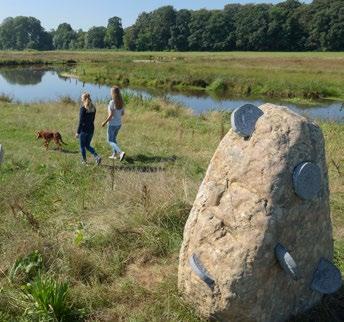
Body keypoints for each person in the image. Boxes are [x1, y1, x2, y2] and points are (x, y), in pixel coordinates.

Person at [76, 92, 101, 165]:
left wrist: (78, 132)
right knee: (87, 145)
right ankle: (97, 156)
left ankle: (84, 161)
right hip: (91, 129)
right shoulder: (93, 108)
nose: (81, 99)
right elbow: (93, 120)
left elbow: (80, 122)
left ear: (83, 99)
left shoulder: (83, 109)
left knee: (82, 146)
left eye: (81, 98)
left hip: (83, 131)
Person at [102, 86, 125, 161]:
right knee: (114, 139)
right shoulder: (121, 102)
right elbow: (122, 114)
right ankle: (114, 154)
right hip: (118, 124)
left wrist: (104, 122)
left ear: (113, 93)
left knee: (110, 141)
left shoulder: (112, 102)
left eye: (111, 92)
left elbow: (111, 115)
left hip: (112, 124)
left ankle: (120, 152)